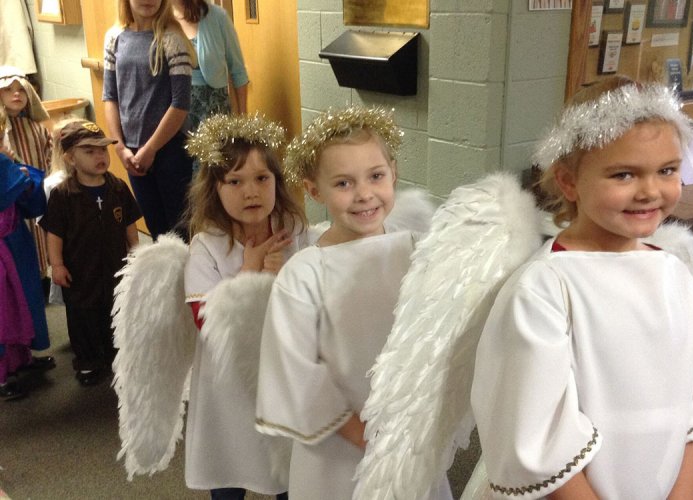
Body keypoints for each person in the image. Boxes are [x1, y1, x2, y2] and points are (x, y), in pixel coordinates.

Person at [470, 77, 693, 498]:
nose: (650, 191)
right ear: (568, 182)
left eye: (667, 170)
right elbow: (533, 427)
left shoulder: (674, 274)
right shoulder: (546, 287)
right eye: (624, 174)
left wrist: (682, 493)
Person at [254, 107, 450, 500]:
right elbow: (296, 369)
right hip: (340, 445)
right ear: (314, 191)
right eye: (343, 183)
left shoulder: (417, 250)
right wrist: (363, 433)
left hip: (408, 433)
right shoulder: (304, 274)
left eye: (375, 176)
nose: (364, 194)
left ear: (393, 172)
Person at [182, 114, 307, 500]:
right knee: (231, 457)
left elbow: (316, 298)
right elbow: (206, 321)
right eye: (234, 181)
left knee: (287, 462)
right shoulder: (208, 245)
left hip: (281, 369)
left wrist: (286, 277)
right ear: (214, 189)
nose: (250, 191)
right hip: (228, 383)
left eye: (261, 179)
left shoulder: (293, 229)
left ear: (277, 182)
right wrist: (249, 275)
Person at [39, 120, 140, 386]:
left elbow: (130, 222)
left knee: (116, 309)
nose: (99, 156)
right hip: (80, 271)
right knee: (84, 315)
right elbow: (54, 233)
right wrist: (57, 265)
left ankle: (116, 355)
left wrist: (137, 254)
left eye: (102, 150)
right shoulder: (63, 194)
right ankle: (88, 362)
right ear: (70, 157)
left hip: (115, 265)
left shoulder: (117, 186)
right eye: (89, 151)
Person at [103, 0, 197, 241]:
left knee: (181, 231)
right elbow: (110, 97)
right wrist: (119, 146)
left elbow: (180, 104)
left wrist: (151, 148)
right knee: (157, 230)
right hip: (132, 153)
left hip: (170, 151)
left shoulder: (172, 39)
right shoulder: (114, 38)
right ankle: (166, 279)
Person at [0, 150, 52, 400]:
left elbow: (27, 197)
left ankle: (22, 359)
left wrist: (19, 173)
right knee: (4, 311)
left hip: (16, 241)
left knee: (26, 300)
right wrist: (12, 173)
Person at [0, 66, 52, 291]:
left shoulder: (36, 129)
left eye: (21, 90)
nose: (16, 94)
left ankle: (41, 276)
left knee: (39, 234)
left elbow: (49, 156)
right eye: (9, 90)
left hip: (33, 191)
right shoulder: (2, 130)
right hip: (9, 200)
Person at [172, 0, 249, 131]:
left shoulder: (218, 17)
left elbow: (238, 71)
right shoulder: (160, 20)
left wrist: (243, 121)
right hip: (175, 116)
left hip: (216, 113)